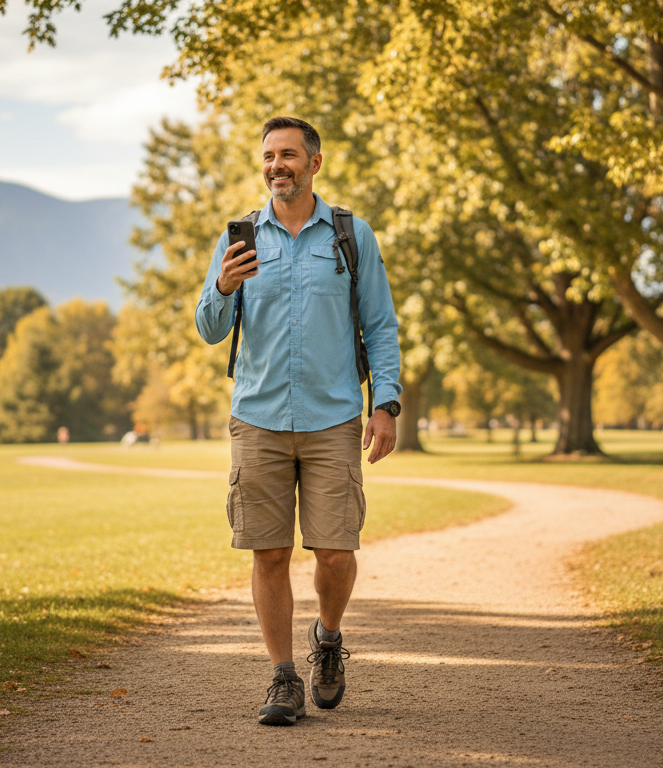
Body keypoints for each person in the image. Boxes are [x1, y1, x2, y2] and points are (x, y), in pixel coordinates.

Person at [195, 116, 402, 726]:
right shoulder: (240, 238)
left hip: (332, 417)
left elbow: (380, 326)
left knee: (335, 553)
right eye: (268, 156)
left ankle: (328, 638)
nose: (276, 165)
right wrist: (223, 287)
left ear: (314, 163)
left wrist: (385, 404)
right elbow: (209, 328)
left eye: (287, 155)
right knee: (268, 555)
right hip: (257, 418)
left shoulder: (351, 235)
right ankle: (283, 676)